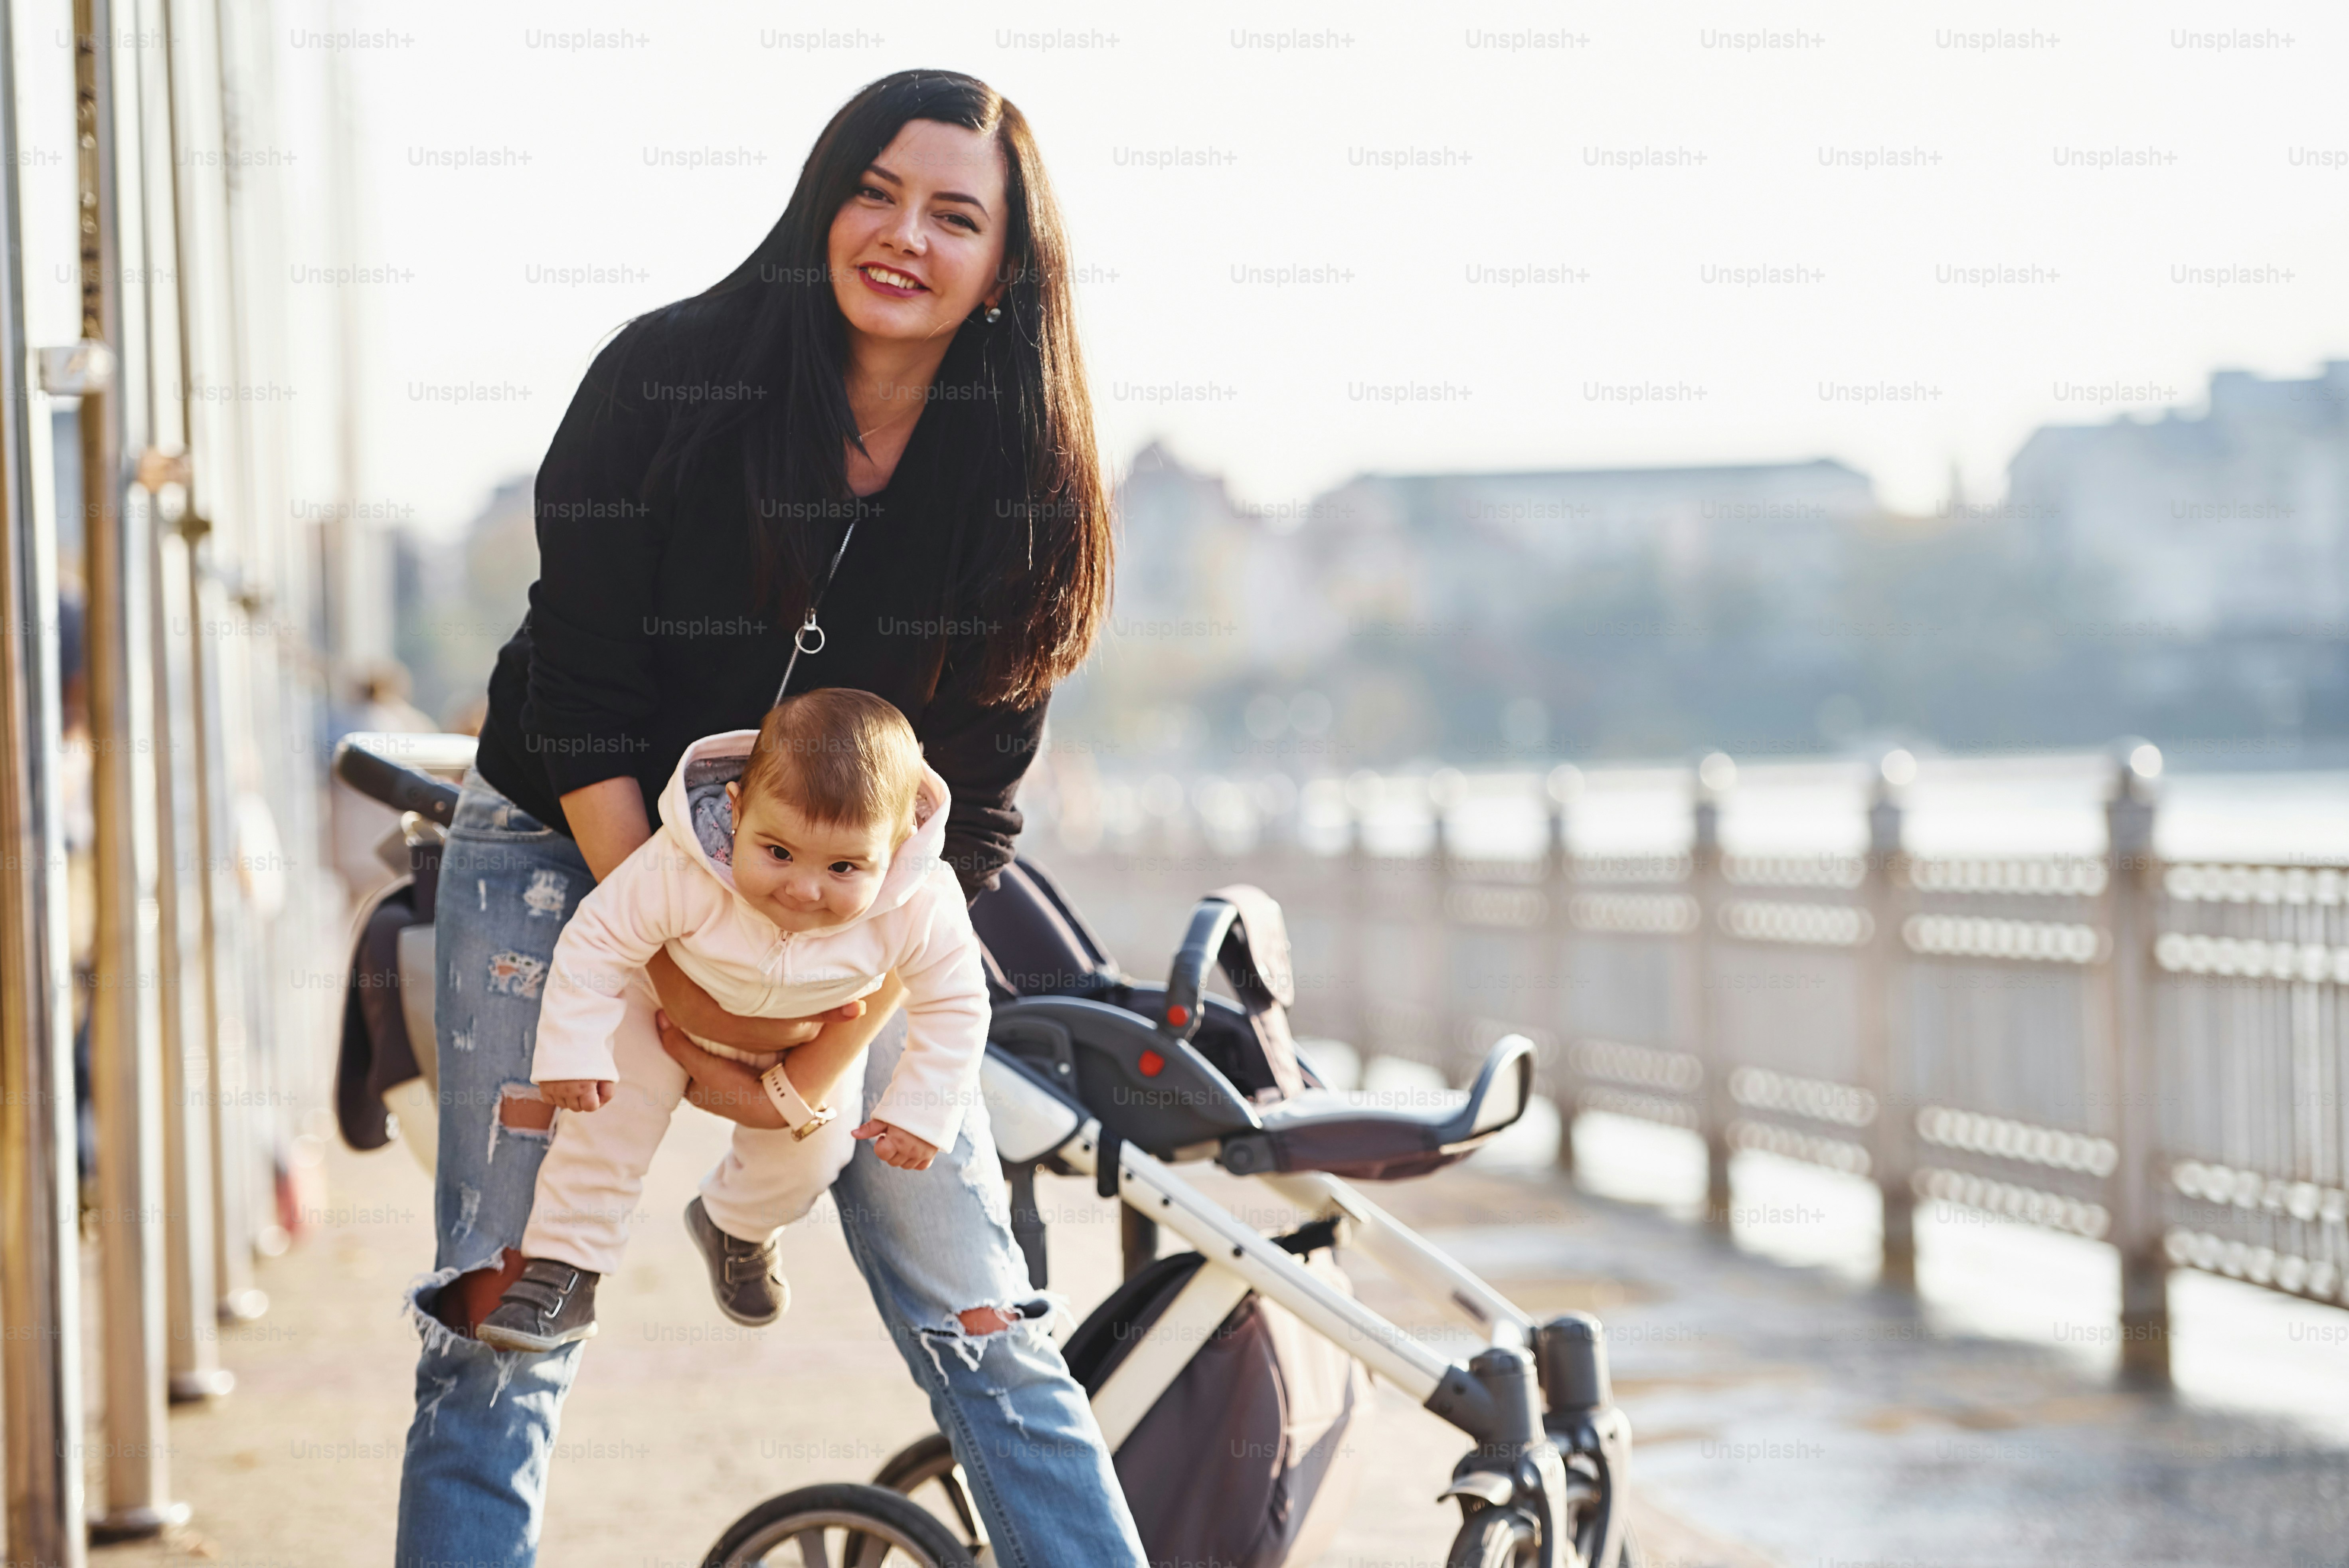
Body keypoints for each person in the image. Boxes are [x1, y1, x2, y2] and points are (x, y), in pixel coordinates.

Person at [393, 69, 1141, 1568]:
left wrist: (820, 1042)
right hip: (570, 835)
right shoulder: (667, 378)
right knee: (507, 1304)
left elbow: (974, 815)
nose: (905, 236)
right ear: (820, 204)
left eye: (954, 216)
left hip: (858, 901)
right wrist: (689, 988)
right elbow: (582, 691)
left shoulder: (1028, 480)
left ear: (1008, 264)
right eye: (875, 192)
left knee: (977, 1302)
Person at [476, 690, 989, 1351]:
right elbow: (599, 938)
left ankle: (737, 1223)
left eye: (843, 867)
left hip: (807, 1034)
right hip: (660, 1006)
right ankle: (564, 1265)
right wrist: (574, 1047)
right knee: (606, 1125)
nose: (802, 889)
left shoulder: (920, 903)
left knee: (811, 1156)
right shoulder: (681, 864)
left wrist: (922, 1107)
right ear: (736, 810)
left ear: (897, 849)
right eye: (777, 852)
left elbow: (955, 1001)